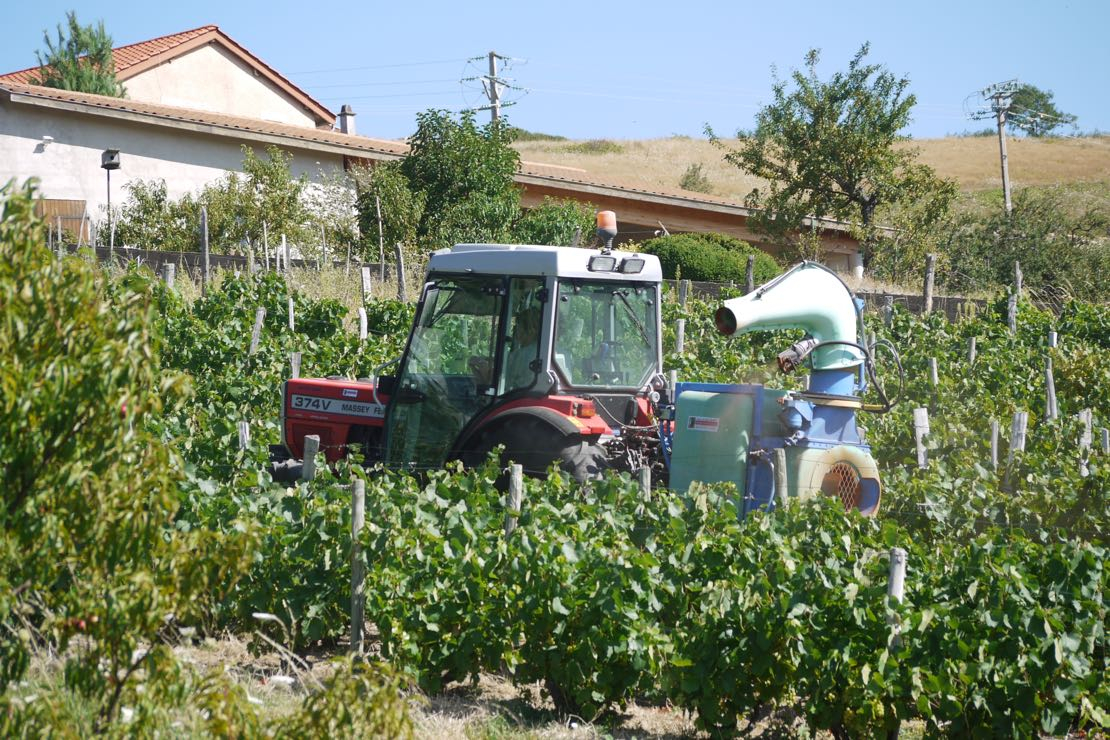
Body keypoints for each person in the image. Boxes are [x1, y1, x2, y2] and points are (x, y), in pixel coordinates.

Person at [504, 305, 541, 391]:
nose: (516, 331)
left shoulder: (521, 355)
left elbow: (505, 384)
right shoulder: (549, 353)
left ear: (531, 330)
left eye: (518, 326)